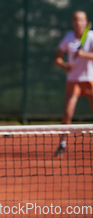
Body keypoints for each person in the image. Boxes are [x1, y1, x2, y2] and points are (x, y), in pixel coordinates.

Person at [53, 10, 93, 155]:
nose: (78, 22)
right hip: (73, 81)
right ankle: (62, 144)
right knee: (67, 113)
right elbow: (56, 58)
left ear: (85, 21)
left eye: (81, 20)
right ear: (72, 22)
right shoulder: (68, 38)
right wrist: (65, 66)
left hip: (90, 80)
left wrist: (84, 54)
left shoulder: (91, 36)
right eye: (75, 20)